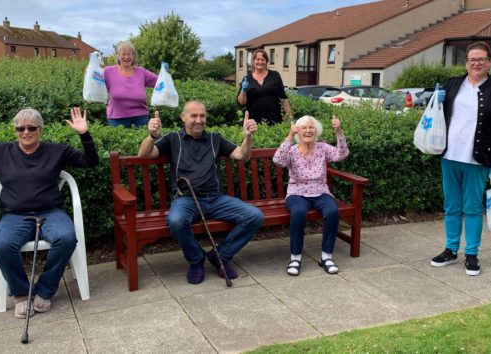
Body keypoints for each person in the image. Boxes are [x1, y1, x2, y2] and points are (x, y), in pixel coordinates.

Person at [0, 107, 99, 318]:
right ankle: (22, 294)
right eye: (20, 128)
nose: (26, 132)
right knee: (2, 246)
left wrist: (84, 134)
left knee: (66, 238)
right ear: (15, 130)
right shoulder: (0, 152)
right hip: (15, 215)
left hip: (51, 212)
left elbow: (90, 162)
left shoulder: (56, 150)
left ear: (40, 129)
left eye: (31, 127)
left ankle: (44, 291)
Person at [138, 100, 264, 284]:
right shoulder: (173, 139)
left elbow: (242, 155)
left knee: (254, 216)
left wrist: (248, 137)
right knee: (175, 221)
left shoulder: (215, 139)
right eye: (194, 116)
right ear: (183, 117)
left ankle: (219, 256)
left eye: (202, 116)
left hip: (216, 198)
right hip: (186, 200)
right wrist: (152, 135)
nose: (199, 120)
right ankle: (196, 260)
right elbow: (144, 154)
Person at [430, 41, 491, 276]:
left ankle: (472, 254)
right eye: (472, 60)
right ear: (466, 62)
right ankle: (450, 249)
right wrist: (435, 100)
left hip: (478, 158)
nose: (476, 63)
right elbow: (438, 116)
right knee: (451, 207)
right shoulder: (453, 84)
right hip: (450, 155)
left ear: (489, 61)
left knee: (473, 208)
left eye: (481, 59)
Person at [273, 115, 349, 276]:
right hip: (297, 193)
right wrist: (289, 136)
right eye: (304, 128)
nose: (308, 130)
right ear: (298, 131)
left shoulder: (323, 148)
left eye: (311, 127)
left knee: (332, 211)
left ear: (317, 130)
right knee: (299, 212)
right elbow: (278, 160)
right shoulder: (292, 151)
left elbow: (341, 155)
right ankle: (295, 258)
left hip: (321, 191)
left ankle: (326, 257)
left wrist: (339, 131)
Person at [104, 41, 158, 128]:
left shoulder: (142, 72)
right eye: (123, 54)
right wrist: (91, 66)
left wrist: (165, 74)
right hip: (116, 120)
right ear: (118, 56)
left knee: (144, 142)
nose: (126, 57)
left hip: (141, 118)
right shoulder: (108, 71)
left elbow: (160, 82)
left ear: (134, 56)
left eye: (129, 54)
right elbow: (93, 81)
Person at [236, 48, 292, 124]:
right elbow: (242, 103)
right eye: (257, 59)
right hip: (253, 123)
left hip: (274, 121)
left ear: (267, 61)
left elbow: (283, 98)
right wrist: (243, 90)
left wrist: (290, 117)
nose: (260, 62)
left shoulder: (275, 76)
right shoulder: (247, 79)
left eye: (263, 59)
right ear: (253, 61)